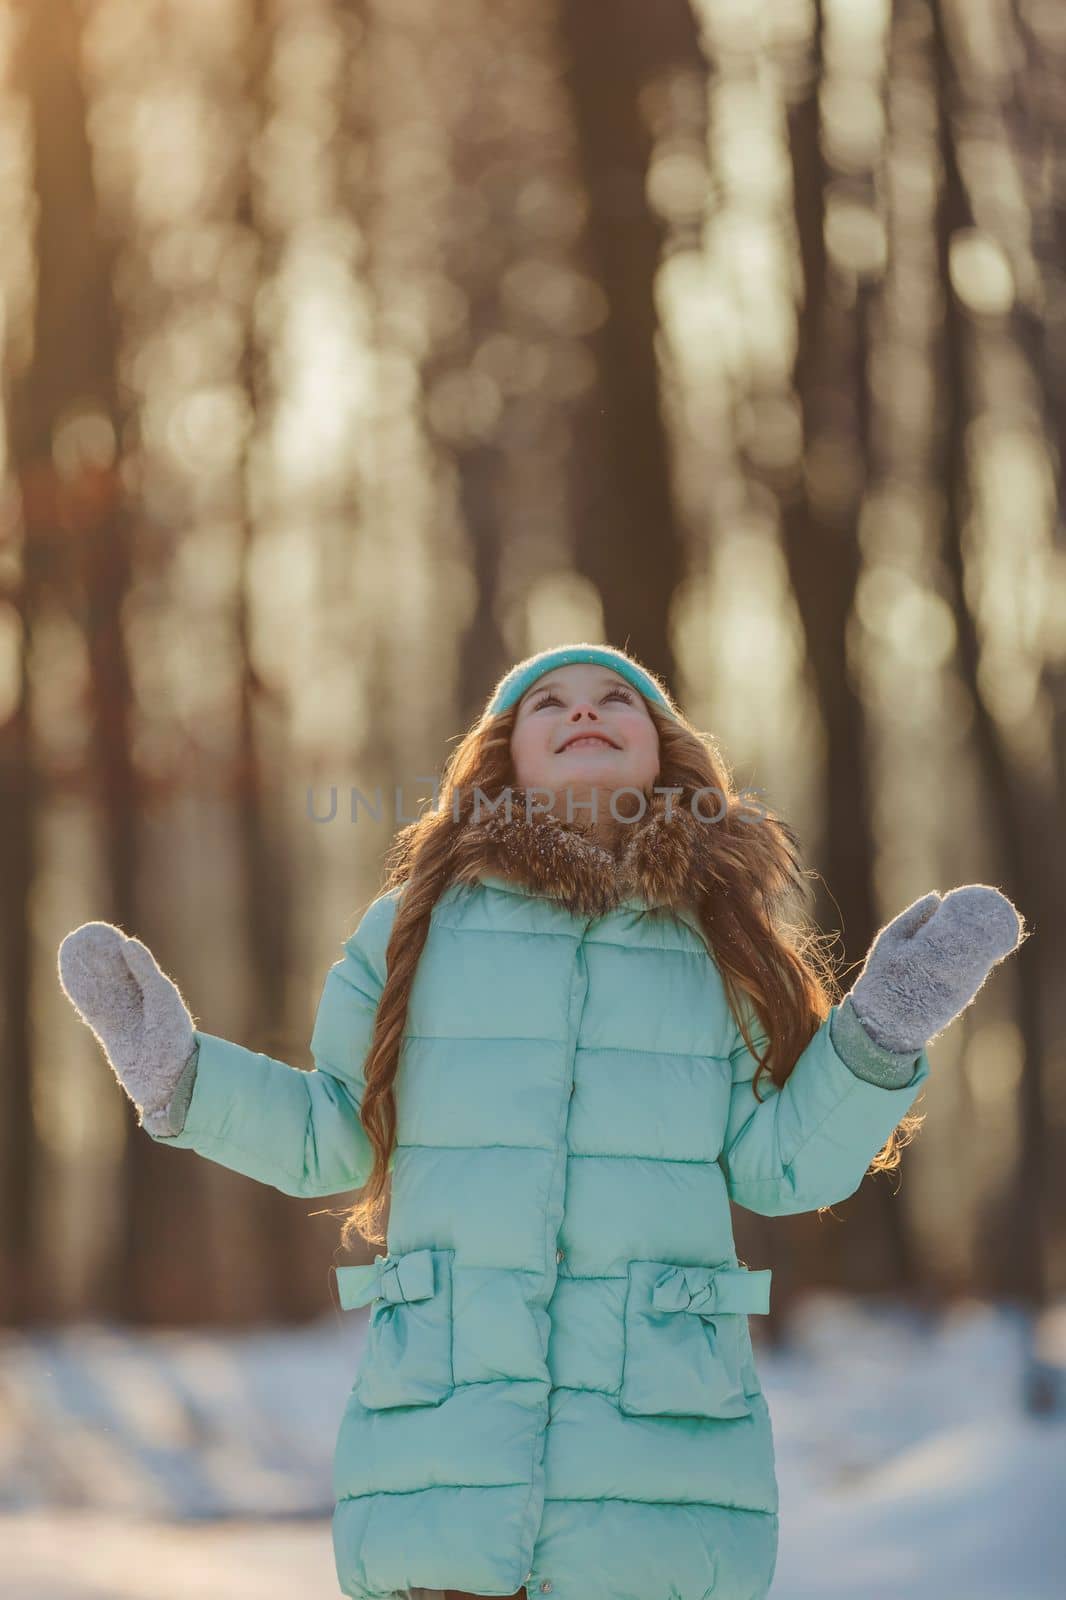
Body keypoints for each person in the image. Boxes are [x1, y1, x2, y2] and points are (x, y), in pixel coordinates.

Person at [58, 642, 1025, 1600]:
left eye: (618, 699)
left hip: (660, 1469)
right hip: (446, 1453)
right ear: (500, 758)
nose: (583, 712)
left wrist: (882, 1030)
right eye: (546, 705)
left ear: (667, 751)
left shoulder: (719, 940)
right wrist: (180, 1076)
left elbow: (782, 1169)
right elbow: (332, 1136)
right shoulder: (410, 928)